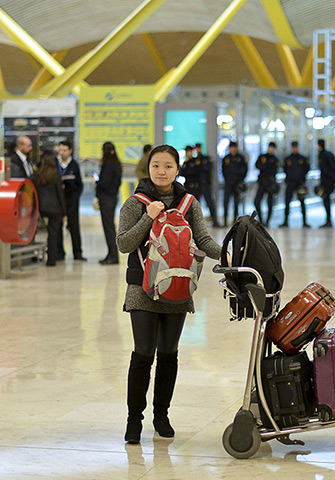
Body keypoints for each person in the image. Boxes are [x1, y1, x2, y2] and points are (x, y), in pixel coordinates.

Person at [117, 144, 222, 444]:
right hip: (142, 289)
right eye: (156, 166)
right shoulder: (135, 203)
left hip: (178, 286)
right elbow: (124, 243)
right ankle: (134, 419)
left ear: (178, 169)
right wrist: (148, 217)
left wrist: (228, 256)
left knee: (168, 355)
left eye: (168, 166)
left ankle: (161, 415)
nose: (161, 171)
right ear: (148, 169)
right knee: (143, 353)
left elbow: (202, 239)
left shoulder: (189, 203)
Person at [32, 150, 66, 266]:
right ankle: (52, 259)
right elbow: (60, 195)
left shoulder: (37, 175)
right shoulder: (56, 175)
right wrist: (64, 212)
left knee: (43, 233)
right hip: (55, 209)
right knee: (53, 234)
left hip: (42, 209)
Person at [56, 140, 86, 261]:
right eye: (60, 150)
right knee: (57, 226)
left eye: (64, 150)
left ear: (70, 151)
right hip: (58, 200)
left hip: (71, 200)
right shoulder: (55, 163)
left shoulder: (74, 165)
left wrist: (75, 196)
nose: (62, 153)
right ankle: (59, 253)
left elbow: (80, 184)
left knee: (74, 226)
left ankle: (77, 253)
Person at [96, 141, 122, 265]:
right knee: (110, 226)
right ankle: (111, 254)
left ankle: (113, 256)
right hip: (112, 197)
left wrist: (97, 181)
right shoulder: (116, 164)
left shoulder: (108, 165)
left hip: (106, 198)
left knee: (108, 227)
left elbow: (104, 183)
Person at [280, 141, 310, 228]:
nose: (294, 149)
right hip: (290, 182)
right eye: (293, 147)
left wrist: (302, 178)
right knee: (287, 201)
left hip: (299, 183)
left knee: (302, 201)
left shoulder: (303, 159)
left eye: (296, 147)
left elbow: (306, 169)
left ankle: (304, 221)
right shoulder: (288, 159)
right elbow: (285, 169)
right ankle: (285, 220)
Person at [221, 141, 247, 227]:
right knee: (226, 202)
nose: (232, 149)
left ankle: (235, 220)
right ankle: (225, 220)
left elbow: (245, 169)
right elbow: (223, 170)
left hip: (237, 183)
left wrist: (241, 180)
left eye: (233, 148)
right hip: (228, 183)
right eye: (230, 148)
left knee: (236, 202)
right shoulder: (226, 158)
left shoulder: (240, 158)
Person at [195, 143, 220, 227]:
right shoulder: (195, 160)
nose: (198, 150)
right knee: (196, 205)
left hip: (205, 184)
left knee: (210, 202)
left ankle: (215, 220)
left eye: (199, 148)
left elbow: (208, 169)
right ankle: (197, 223)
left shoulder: (206, 159)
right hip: (197, 185)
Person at [254, 142, 279, 225]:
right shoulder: (262, 157)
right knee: (257, 201)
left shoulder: (275, 159)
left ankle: (267, 221)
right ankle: (261, 219)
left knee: (270, 203)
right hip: (262, 182)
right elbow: (258, 165)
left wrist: (265, 164)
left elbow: (273, 170)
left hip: (270, 183)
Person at [317, 139, 335, 228]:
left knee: (326, 199)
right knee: (327, 199)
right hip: (330, 180)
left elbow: (324, 169)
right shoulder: (330, 154)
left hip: (327, 181)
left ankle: (328, 220)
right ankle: (328, 219)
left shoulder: (322, 155)